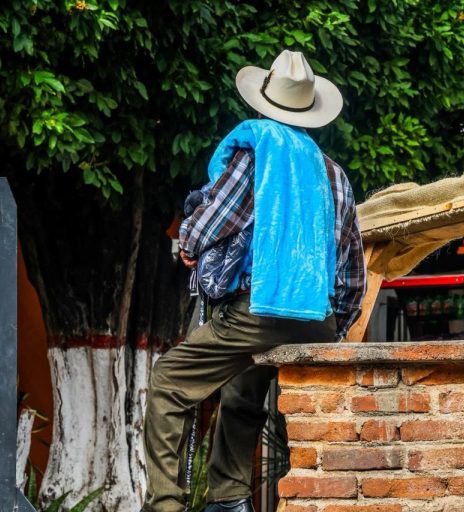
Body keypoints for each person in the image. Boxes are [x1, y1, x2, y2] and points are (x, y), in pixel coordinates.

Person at [141, 50, 366, 512]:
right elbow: (351, 274)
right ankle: (227, 500)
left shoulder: (259, 151)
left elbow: (210, 224)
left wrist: (189, 241)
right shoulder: (333, 174)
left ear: (265, 102)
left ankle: (165, 504)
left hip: (259, 311)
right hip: (318, 317)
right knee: (243, 388)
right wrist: (329, 329)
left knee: (168, 380)